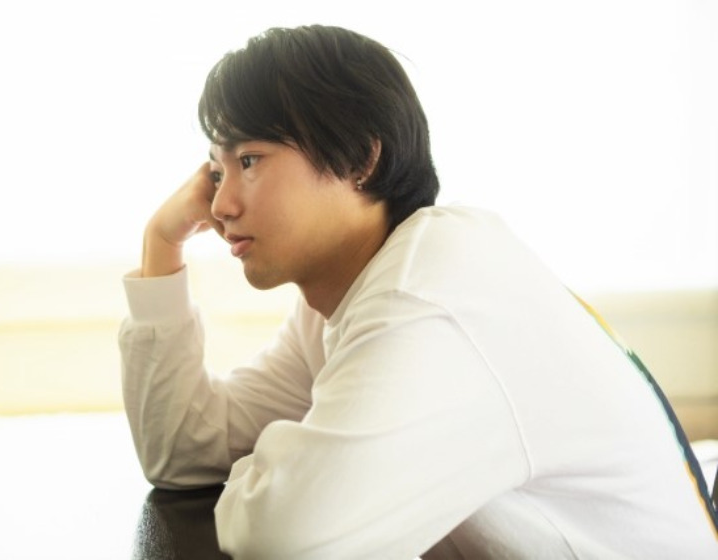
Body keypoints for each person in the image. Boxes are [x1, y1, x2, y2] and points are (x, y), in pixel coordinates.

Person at [119, 24, 718, 559]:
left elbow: (292, 538)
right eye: (216, 170)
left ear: (361, 159)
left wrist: (274, 471)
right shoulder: (343, 297)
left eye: (250, 160)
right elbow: (184, 451)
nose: (221, 204)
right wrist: (160, 244)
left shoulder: (425, 290)